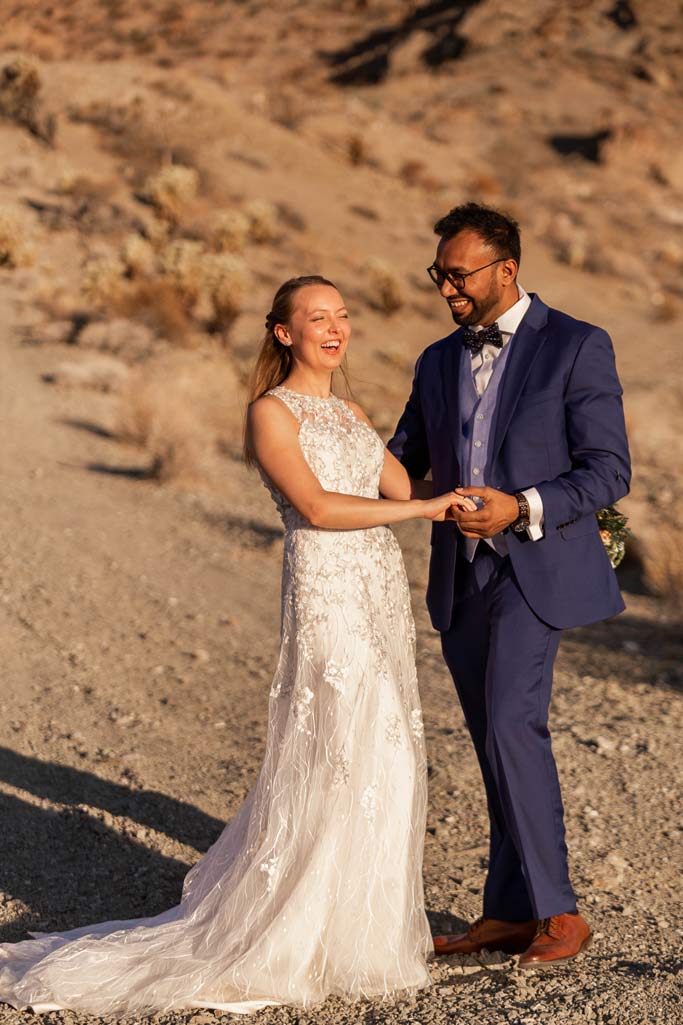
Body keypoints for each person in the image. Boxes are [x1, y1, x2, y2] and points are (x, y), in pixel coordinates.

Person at [0, 275, 470, 1015]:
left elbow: (397, 480)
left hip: (377, 596)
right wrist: (422, 509)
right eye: (316, 317)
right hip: (327, 598)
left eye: (341, 315)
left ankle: (359, 935)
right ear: (282, 331)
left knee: (387, 749)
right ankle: (289, 933)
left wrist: (464, 478)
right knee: (338, 748)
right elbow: (316, 505)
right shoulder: (269, 413)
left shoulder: (348, 411)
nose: (334, 327)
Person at [388, 203, 631, 968]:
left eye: (457, 274)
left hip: (535, 568)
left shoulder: (577, 345)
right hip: (459, 579)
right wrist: (319, 426)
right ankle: (505, 909)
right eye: (439, 275)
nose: (446, 288)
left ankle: (559, 910)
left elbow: (607, 469)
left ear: (507, 269)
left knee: (509, 724)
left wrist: (518, 506)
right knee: (489, 741)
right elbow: (405, 457)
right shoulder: (434, 360)